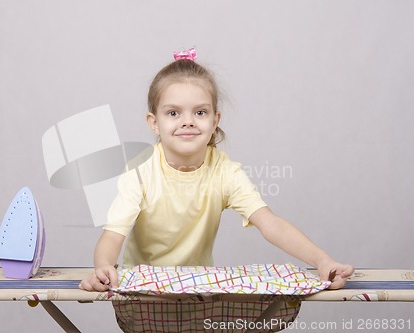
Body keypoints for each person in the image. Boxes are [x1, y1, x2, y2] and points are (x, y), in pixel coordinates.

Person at [80, 48, 354, 331]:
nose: (187, 121)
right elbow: (113, 235)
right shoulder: (140, 171)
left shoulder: (225, 172)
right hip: (143, 299)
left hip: (198, 296)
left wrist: (322, 260)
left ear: (215, 121)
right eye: (173, 112)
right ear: (154, 123)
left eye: (199, 112)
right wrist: (103, 266)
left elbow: (270, 223)